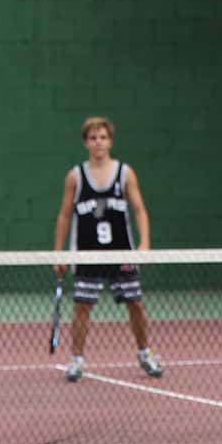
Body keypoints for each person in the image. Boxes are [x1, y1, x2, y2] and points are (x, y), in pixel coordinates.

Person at [51, 116, 160, 383]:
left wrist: (144, 245)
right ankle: (77, 360)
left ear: (110, 141)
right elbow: (64, 216)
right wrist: (59, 253)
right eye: (93, 138)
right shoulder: (75, 176)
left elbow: (139, 209)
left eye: (102, 137)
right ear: (86, 143)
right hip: (86, 253)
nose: (98, 142)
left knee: (135, 303)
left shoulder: (125, 173)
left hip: (122, 253)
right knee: (82, 307)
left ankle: (145, 353)